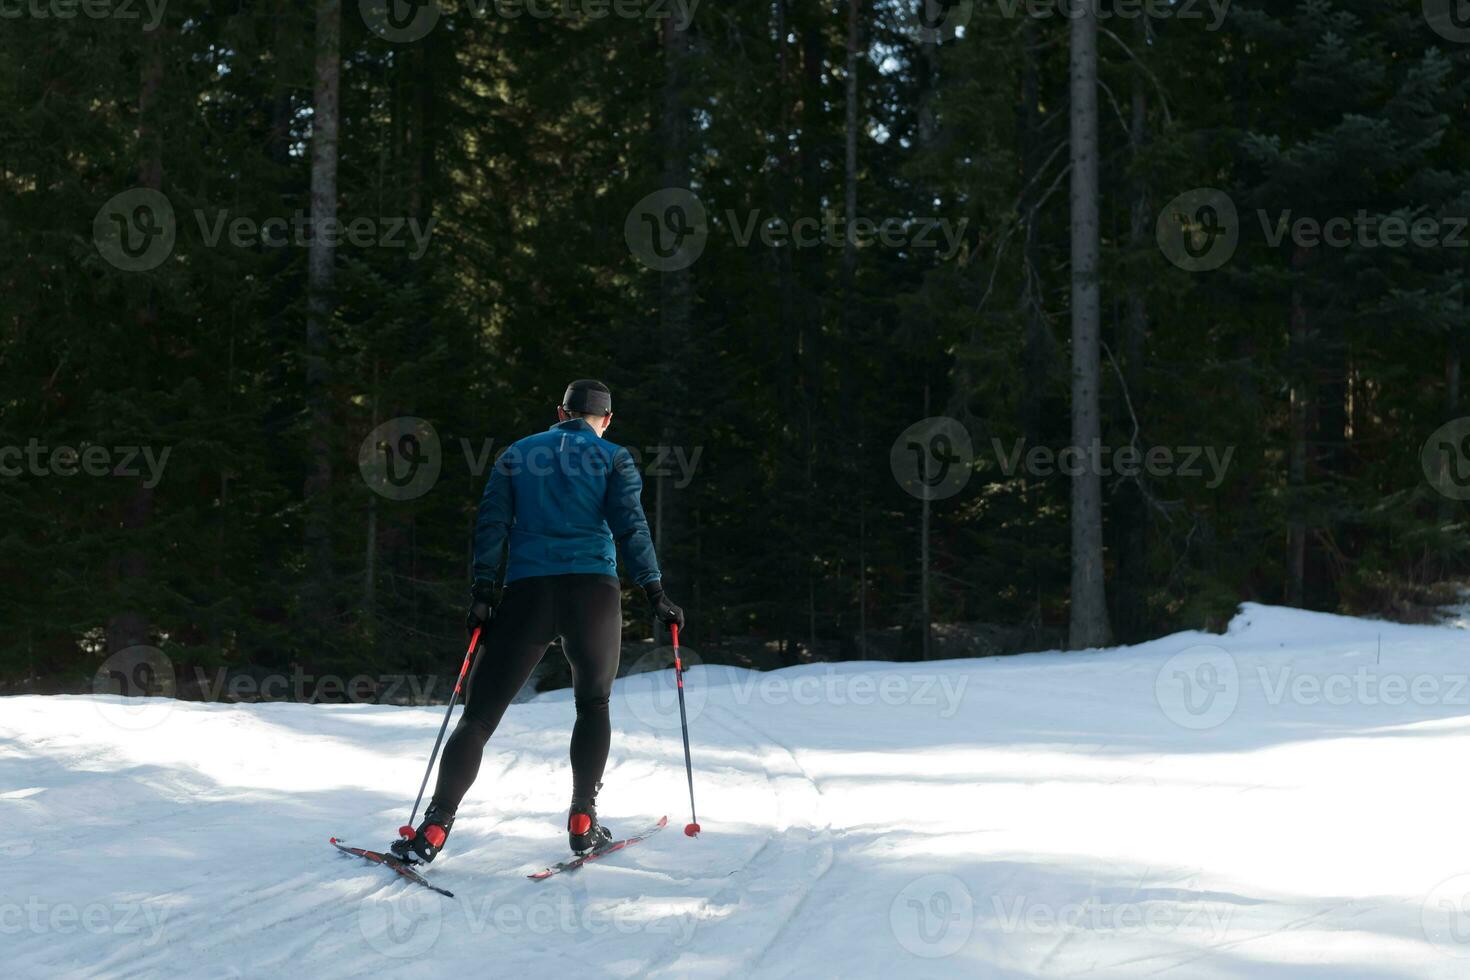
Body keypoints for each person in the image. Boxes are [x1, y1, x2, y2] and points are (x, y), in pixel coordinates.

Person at [391, 379, 685, 863]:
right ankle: (582, 818)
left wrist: (483, 591)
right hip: (593, 593)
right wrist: (655, 591)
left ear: (560, 412)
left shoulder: (518, 453)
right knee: (593, 704)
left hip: (528, 591)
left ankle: (435, 827)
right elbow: (630, 526)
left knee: (479, 717)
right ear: (607, 420)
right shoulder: (614, 458)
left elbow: (491, 523)